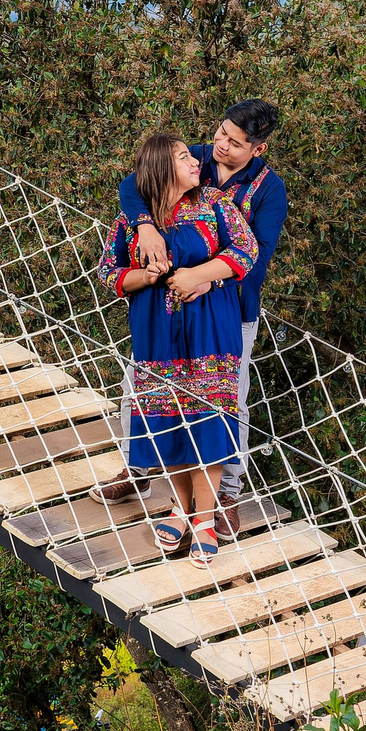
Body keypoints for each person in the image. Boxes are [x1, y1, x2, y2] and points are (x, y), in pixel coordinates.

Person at [117, 98, 286, 527]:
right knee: (144, 385)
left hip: (229, 309)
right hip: (165, 310)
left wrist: (208, 279)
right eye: (219, 133)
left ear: (257, 150)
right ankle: (138, 469)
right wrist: (145, 224)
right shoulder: (193, 158)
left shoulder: (269, 190)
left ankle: (226, 492)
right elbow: (134, 183)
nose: (218, 145)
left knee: (230, 396)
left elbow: (257, 256)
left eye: (233, 142)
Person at [98, 129, 258, 566]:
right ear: (162, 168)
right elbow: (109, 272)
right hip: (155, 329)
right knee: (168, 420)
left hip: (211, 324)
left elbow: (246, 250)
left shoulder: (215, 203)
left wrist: (198, 274)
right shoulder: (133, 219)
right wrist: (146, 277)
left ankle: (204, 518)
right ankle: (180, 506)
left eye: (193, 156)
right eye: (185, 157)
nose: (196, 162)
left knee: (209, 415)